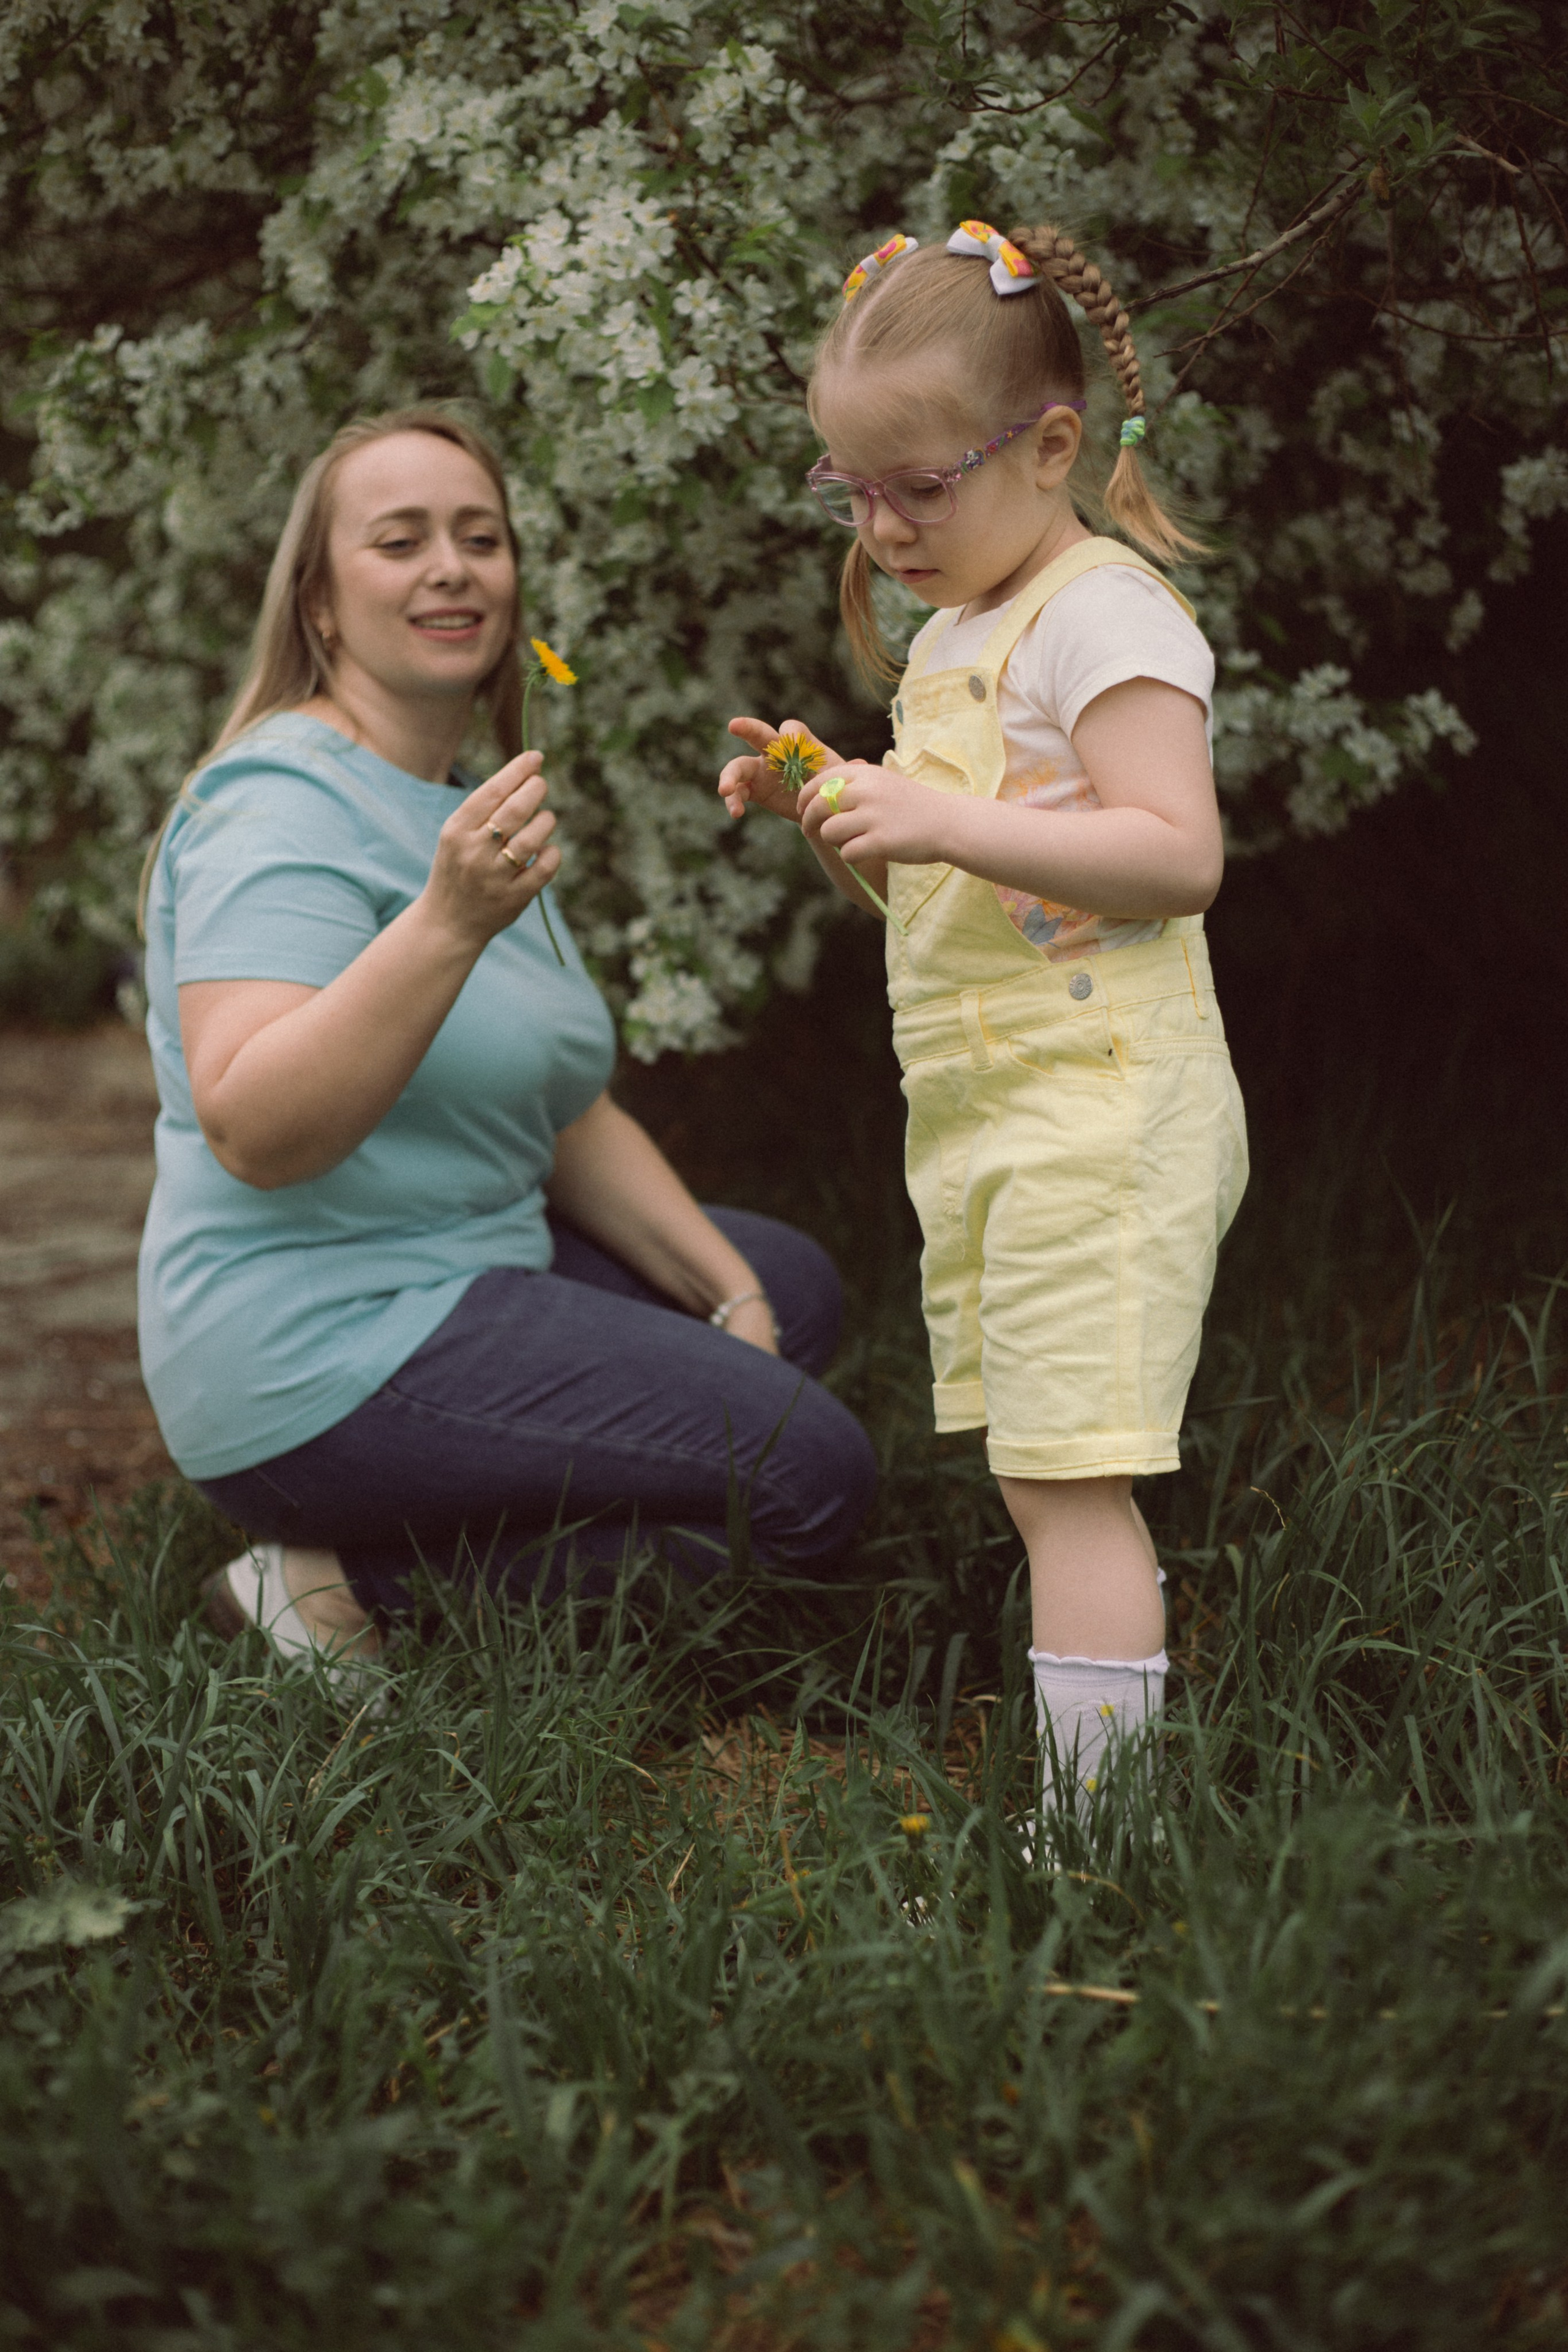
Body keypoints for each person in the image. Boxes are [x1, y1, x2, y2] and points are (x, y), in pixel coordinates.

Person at [138, 407, 876, 1680]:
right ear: (319, 605)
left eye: (480, 539)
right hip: (315, 1343)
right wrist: (446, 923)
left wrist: (730, 1298)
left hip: (467, 1268)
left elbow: (562, 1105)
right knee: (811, 1480)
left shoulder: (453, 801)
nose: (452, 569)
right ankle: (331, 1588)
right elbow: (253, 1127)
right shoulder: (280, 806)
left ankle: (463, 1497)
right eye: (400, 541)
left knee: (787, 1286)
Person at [718, 223, 1248, 1819]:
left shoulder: (1103, 614)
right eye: (851, 491)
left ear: (1052, 448)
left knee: (1064, 1480)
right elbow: (973, 898)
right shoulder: (957, 634)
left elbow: (1176, 856)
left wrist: (939, 816)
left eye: (918, 488)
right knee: (1042, 1472)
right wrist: (844, 813)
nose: (882, 529)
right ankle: (1101, 1796)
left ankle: (1101, 1837)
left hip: (1104, 1104)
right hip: (1002, 1109)